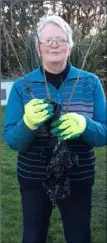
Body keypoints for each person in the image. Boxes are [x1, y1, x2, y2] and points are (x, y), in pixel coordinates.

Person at [2, 15, 106, 243]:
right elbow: (11, 139)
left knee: (79, 237)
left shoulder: (90, 82)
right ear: (38, 48)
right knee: (33, 237)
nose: (54, 44)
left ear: (70, 46)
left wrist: (85, 125)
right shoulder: (22, 86)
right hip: (34, 179)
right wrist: (27, 124)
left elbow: (104, 132)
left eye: (60, 39)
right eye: (47, 40)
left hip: (78, 178)